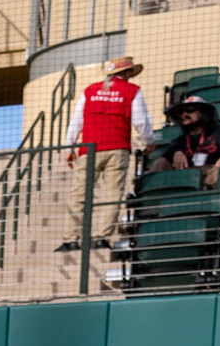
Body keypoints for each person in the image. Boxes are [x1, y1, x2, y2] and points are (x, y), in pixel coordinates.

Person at [59, 55, 154, 254]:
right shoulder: (132, 91)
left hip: (89, 149)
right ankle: (102, 238)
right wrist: (149, 142)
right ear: (127, 73)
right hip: (117, 147)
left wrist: (69, 148)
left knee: (79, 194)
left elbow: (76, 121)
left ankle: (71, 239)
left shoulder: (90, 90)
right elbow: (141, 120)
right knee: (112, 194)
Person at [148, 94, 220, 187]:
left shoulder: (219, 131)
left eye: (189, 111)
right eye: (182, 112)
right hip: (184, 176)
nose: (184, 115)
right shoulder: (180, 140)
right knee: (160, 162)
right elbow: (167, 156)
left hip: (210, 172)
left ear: (203, 114)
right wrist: (176, 152)